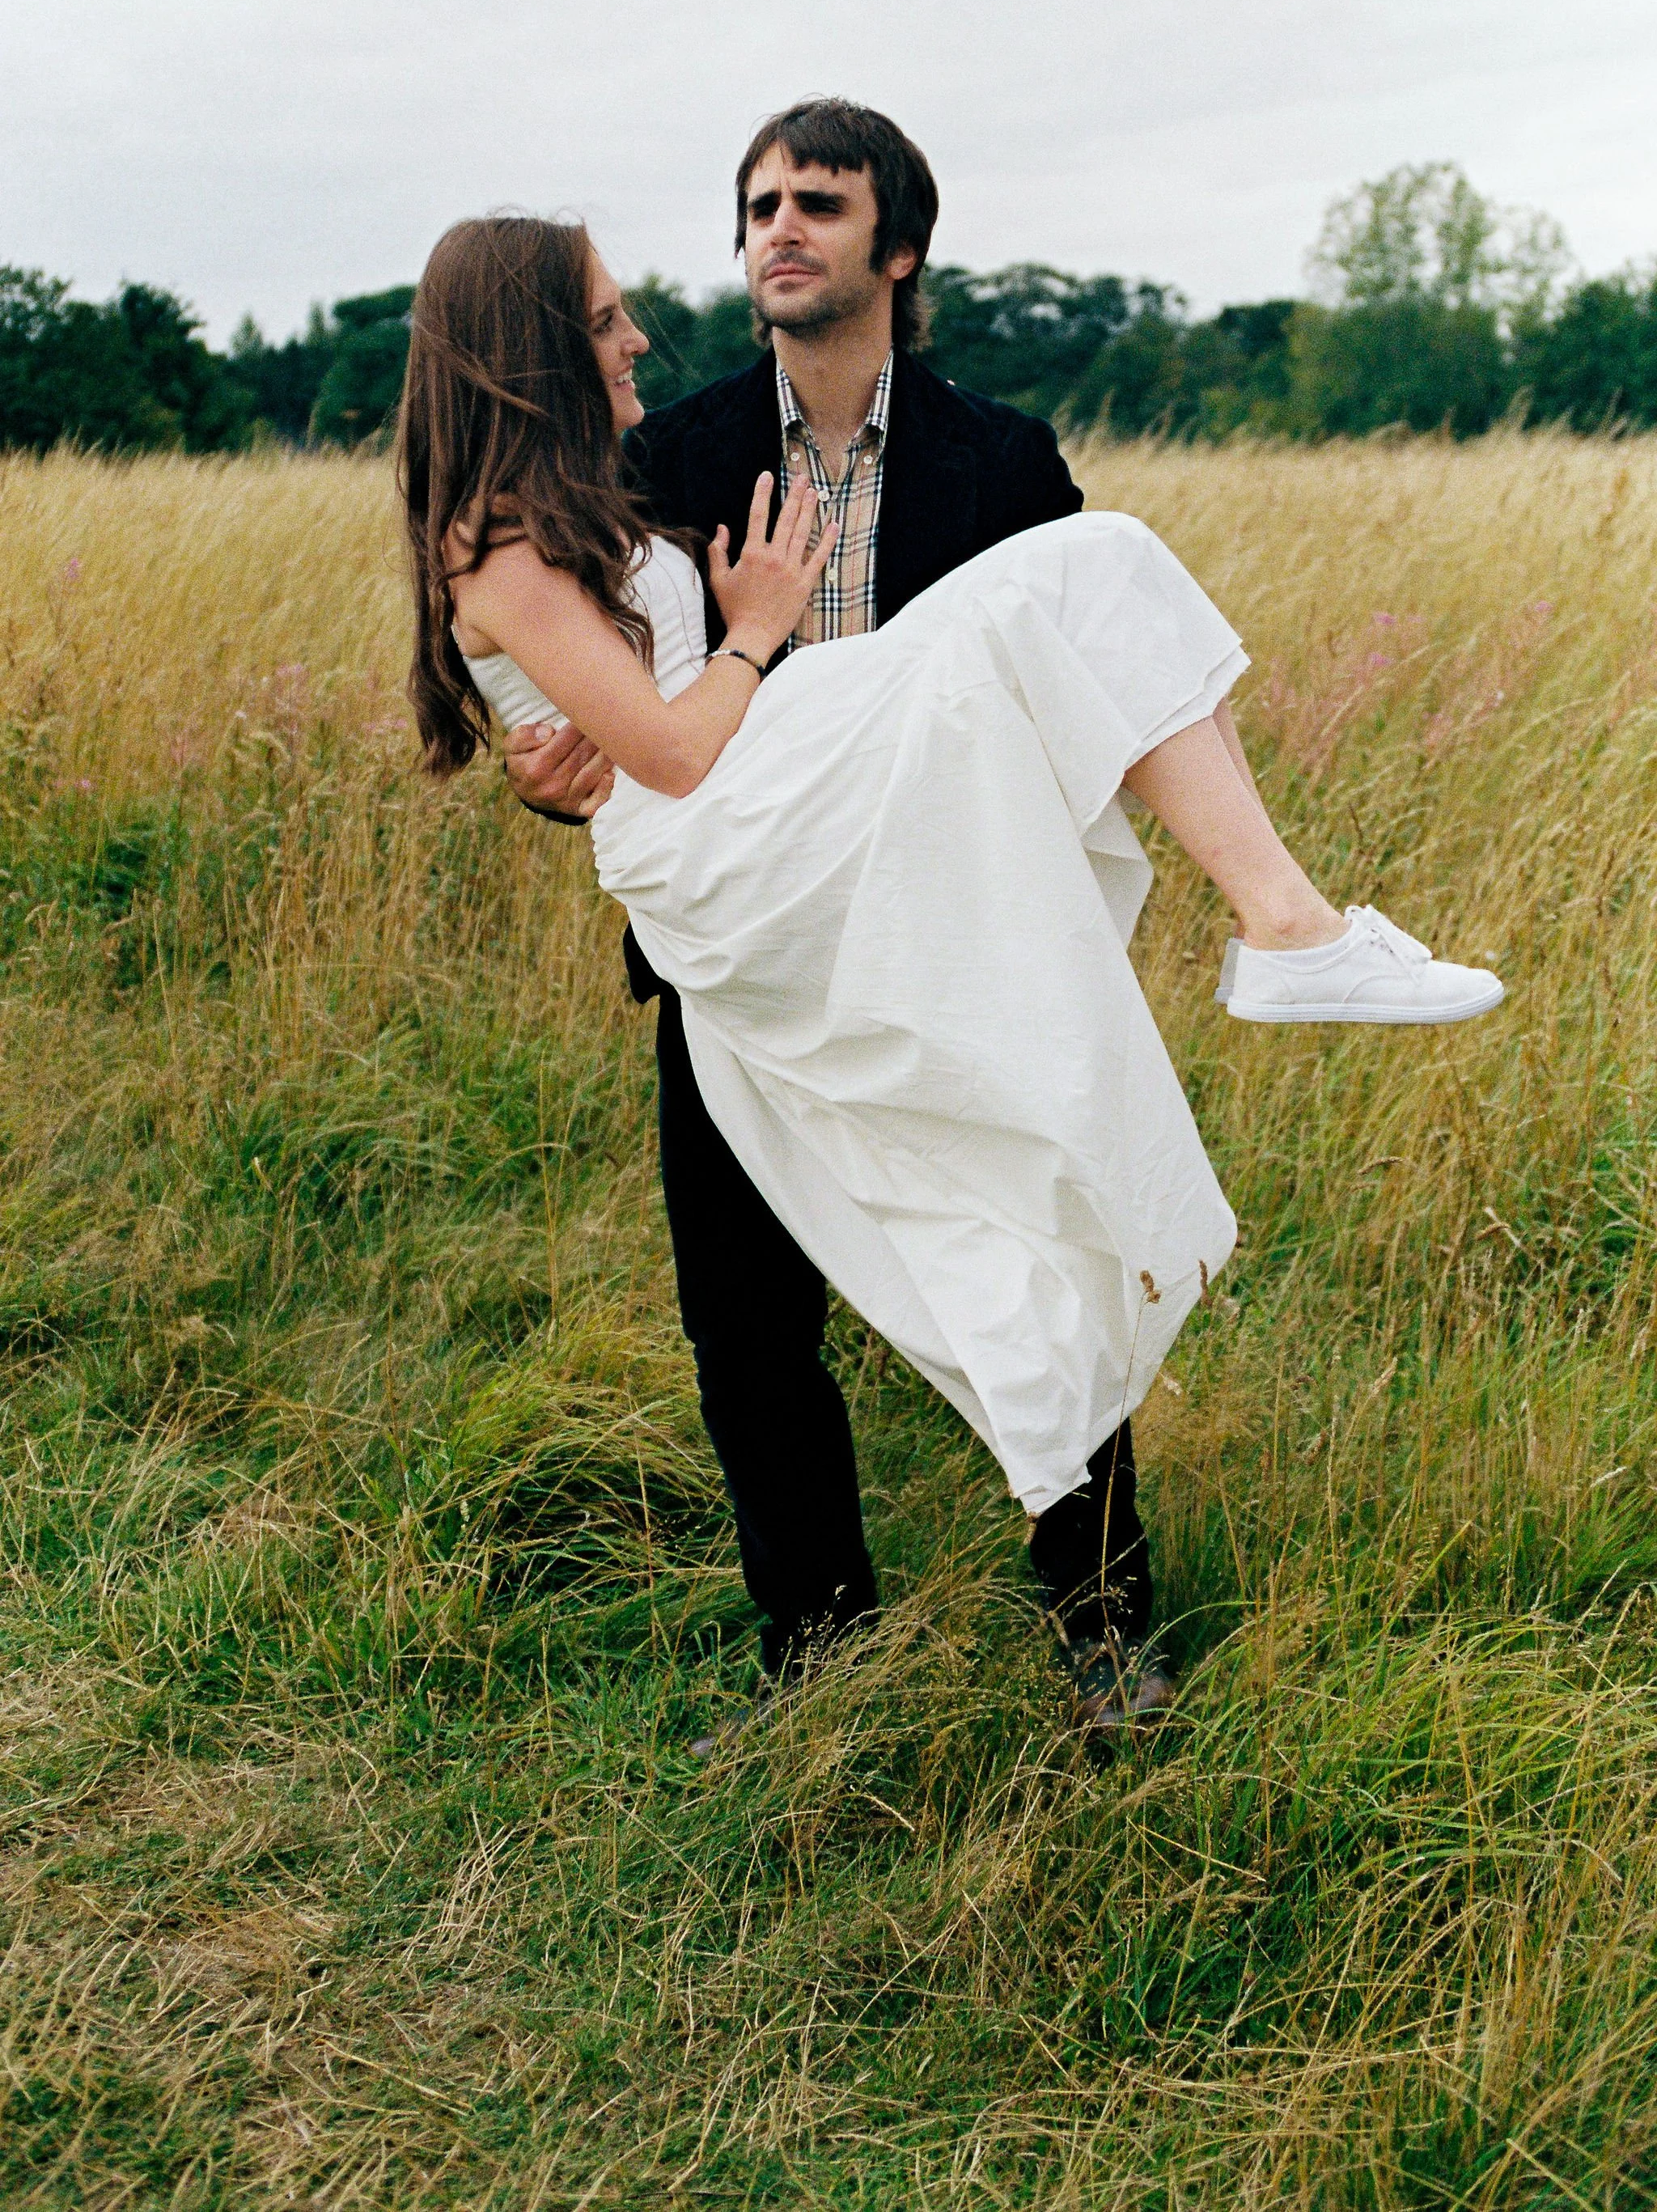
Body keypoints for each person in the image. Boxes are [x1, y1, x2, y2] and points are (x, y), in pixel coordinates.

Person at [405, 173, 1502, 1743]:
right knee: (750, 1321)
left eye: (817, 202)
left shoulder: (989, 453)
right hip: (754, 849)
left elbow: (611, 703)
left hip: (862, 829)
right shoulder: (649, 464)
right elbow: (645, 748)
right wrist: (752, 627)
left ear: (894, 247)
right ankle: (821, 1665)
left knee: (1096, 580)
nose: (642, 327)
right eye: (602, 313)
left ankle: (1286, 934)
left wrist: (679, 679)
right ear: (529, 344)